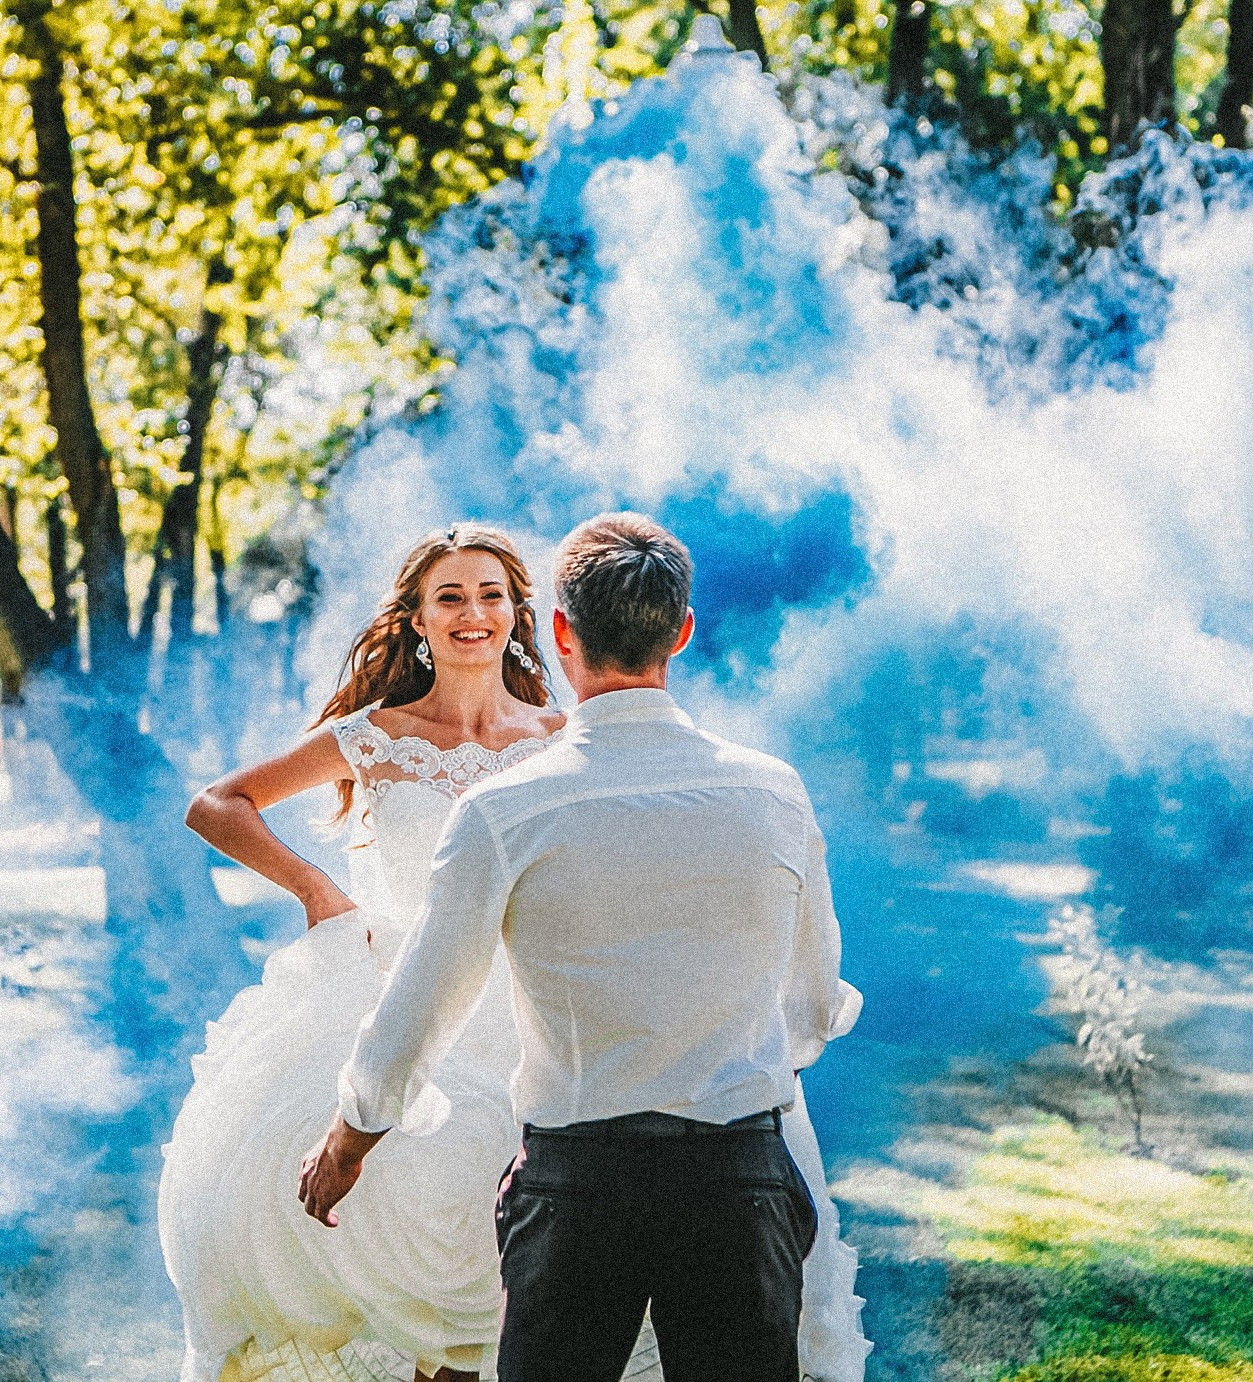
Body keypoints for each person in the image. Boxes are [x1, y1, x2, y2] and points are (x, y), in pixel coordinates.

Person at [297, 513, 869, 1382]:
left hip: (579, 1188)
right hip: (738, 1177)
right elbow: (814, 1001)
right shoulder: (775, 792)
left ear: (559, 633)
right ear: (681, 630)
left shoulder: (502, 812)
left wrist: (348, 1142)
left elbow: (422, 1006)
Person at [163, 523, 565, 1381]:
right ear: (417, 620)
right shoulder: (375, 735)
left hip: (524, 1016)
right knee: (405, 1258)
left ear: (517, 613)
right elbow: (217, 804)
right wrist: (318, 890)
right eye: (449, 597)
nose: (472, 613)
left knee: (495, 1275)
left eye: (491, 595)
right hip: (402, 1006)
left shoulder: (559, 737)